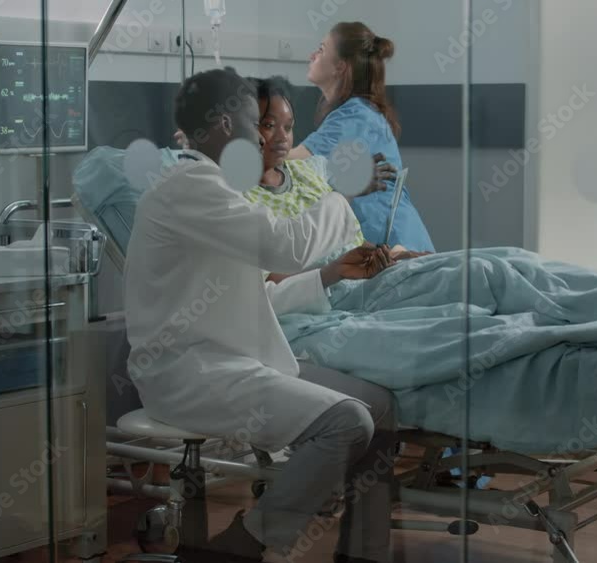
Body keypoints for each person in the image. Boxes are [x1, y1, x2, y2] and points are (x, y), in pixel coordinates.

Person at [124, 67, 398, 563]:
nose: (264, 138)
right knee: (348, 421)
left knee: (379, 405)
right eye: (257, 123)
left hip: (235, 358)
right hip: (189, 372)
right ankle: (245, 543)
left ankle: (363, 552)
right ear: (226, 124)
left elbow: (256, 298)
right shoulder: (188, 187)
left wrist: (328, 275)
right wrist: (338, 195)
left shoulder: (217, 188)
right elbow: (286, 246)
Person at [245, 75, 430, 284]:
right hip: (330, 290)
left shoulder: (307, 172)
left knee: (451, 268)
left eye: (288, 127)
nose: (282, 137)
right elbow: (269, 283)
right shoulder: (241, 199)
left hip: (366, 279)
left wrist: (391, 257)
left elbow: (352, 244)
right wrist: (334, 272)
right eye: (269, 125)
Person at [287, 22, 435, 253]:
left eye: (321, 49)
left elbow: (288, 164)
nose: (312, 55)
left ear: (340, 67)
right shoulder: (358, 113)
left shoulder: (355, 117)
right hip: (391, 242)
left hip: (395, 245)